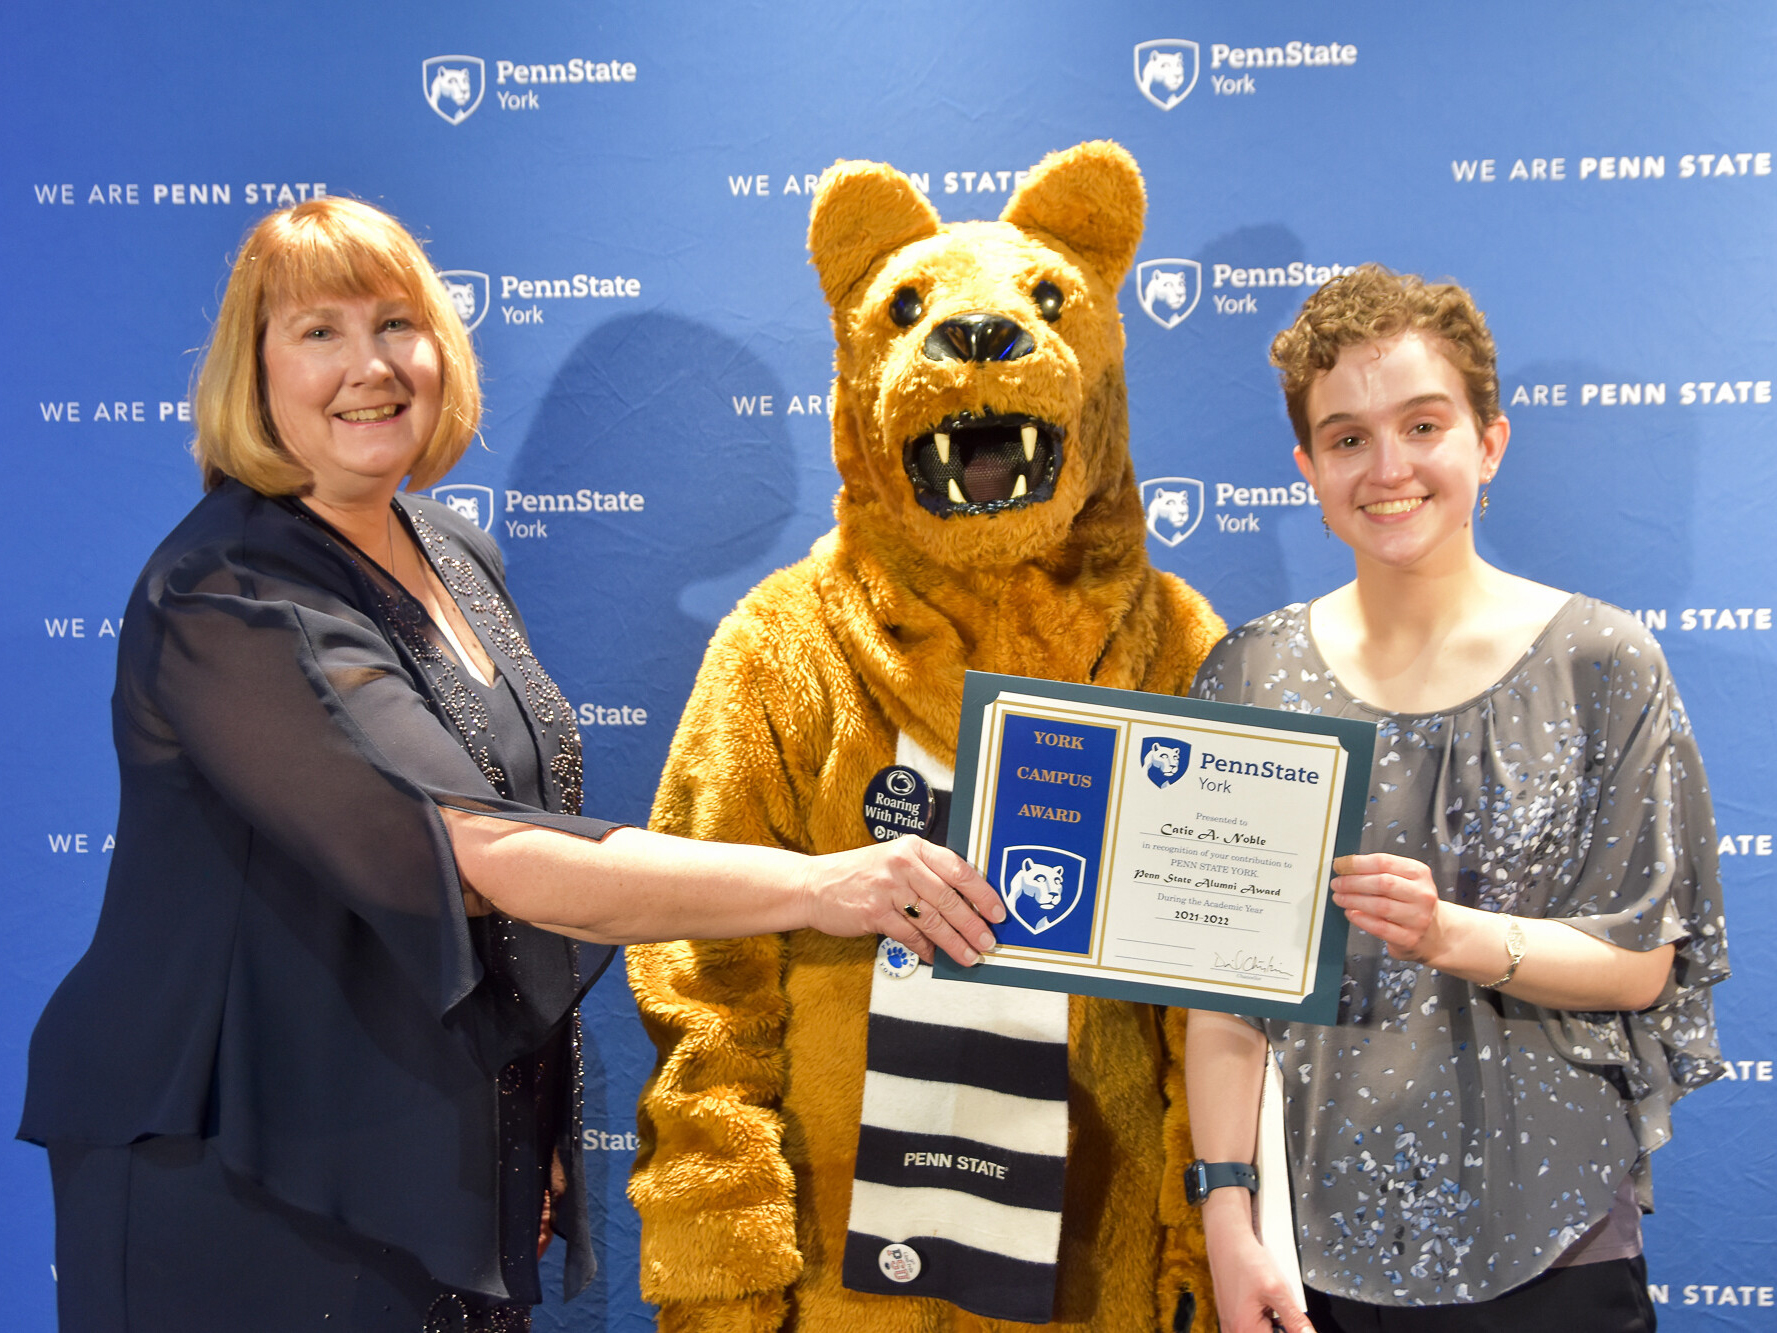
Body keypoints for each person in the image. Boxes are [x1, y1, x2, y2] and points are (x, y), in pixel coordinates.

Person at [18, 196, 1002, 1333]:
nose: (369, 365)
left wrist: (505, 1133)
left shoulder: (453, 551)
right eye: (318, 332)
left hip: (413, 1145)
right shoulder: (232, 592)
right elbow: (480, 857)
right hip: (241, 1164)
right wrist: (825, 885)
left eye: (396, 322)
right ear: (254, 372)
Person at [1184, 266, 1729, 1333]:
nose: (1387, 468)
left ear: (1488, 441)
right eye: (1346, 439)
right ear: (1306, 468)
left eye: (1422, 425)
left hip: (1556, 1242)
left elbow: (1640, 963)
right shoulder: (1248, 677)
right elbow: (1227, 995)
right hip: (1318, 1250)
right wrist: (1227, 1217)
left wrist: (1452, 932)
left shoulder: (1602, 662)